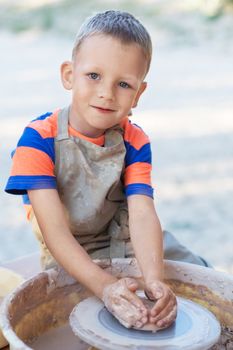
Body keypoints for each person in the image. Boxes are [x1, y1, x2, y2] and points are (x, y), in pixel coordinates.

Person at [5, 10, 209, 330]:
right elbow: (54, 232)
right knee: (74, 323)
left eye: (124, 84)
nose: (107, 93)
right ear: (69, 74)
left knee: (204, 281)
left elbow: (142, 214)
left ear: (139, 94)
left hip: (126, 237)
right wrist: (104, 286)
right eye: (94, 76)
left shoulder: (135, 139)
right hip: (72, 251)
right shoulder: (38, 140)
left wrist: (154, 281)